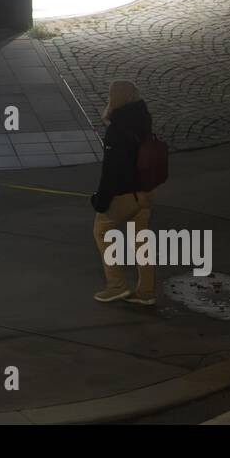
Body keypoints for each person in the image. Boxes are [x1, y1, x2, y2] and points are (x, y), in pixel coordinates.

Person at [92, 80, 156, 305]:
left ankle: (116, 285)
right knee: (141, 240)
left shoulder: (116, 132)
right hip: (144, 193)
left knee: (101, 231)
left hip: (124, 194)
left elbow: (111, 172)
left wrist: (100, 201)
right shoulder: (143, 120)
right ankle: (146, 291)